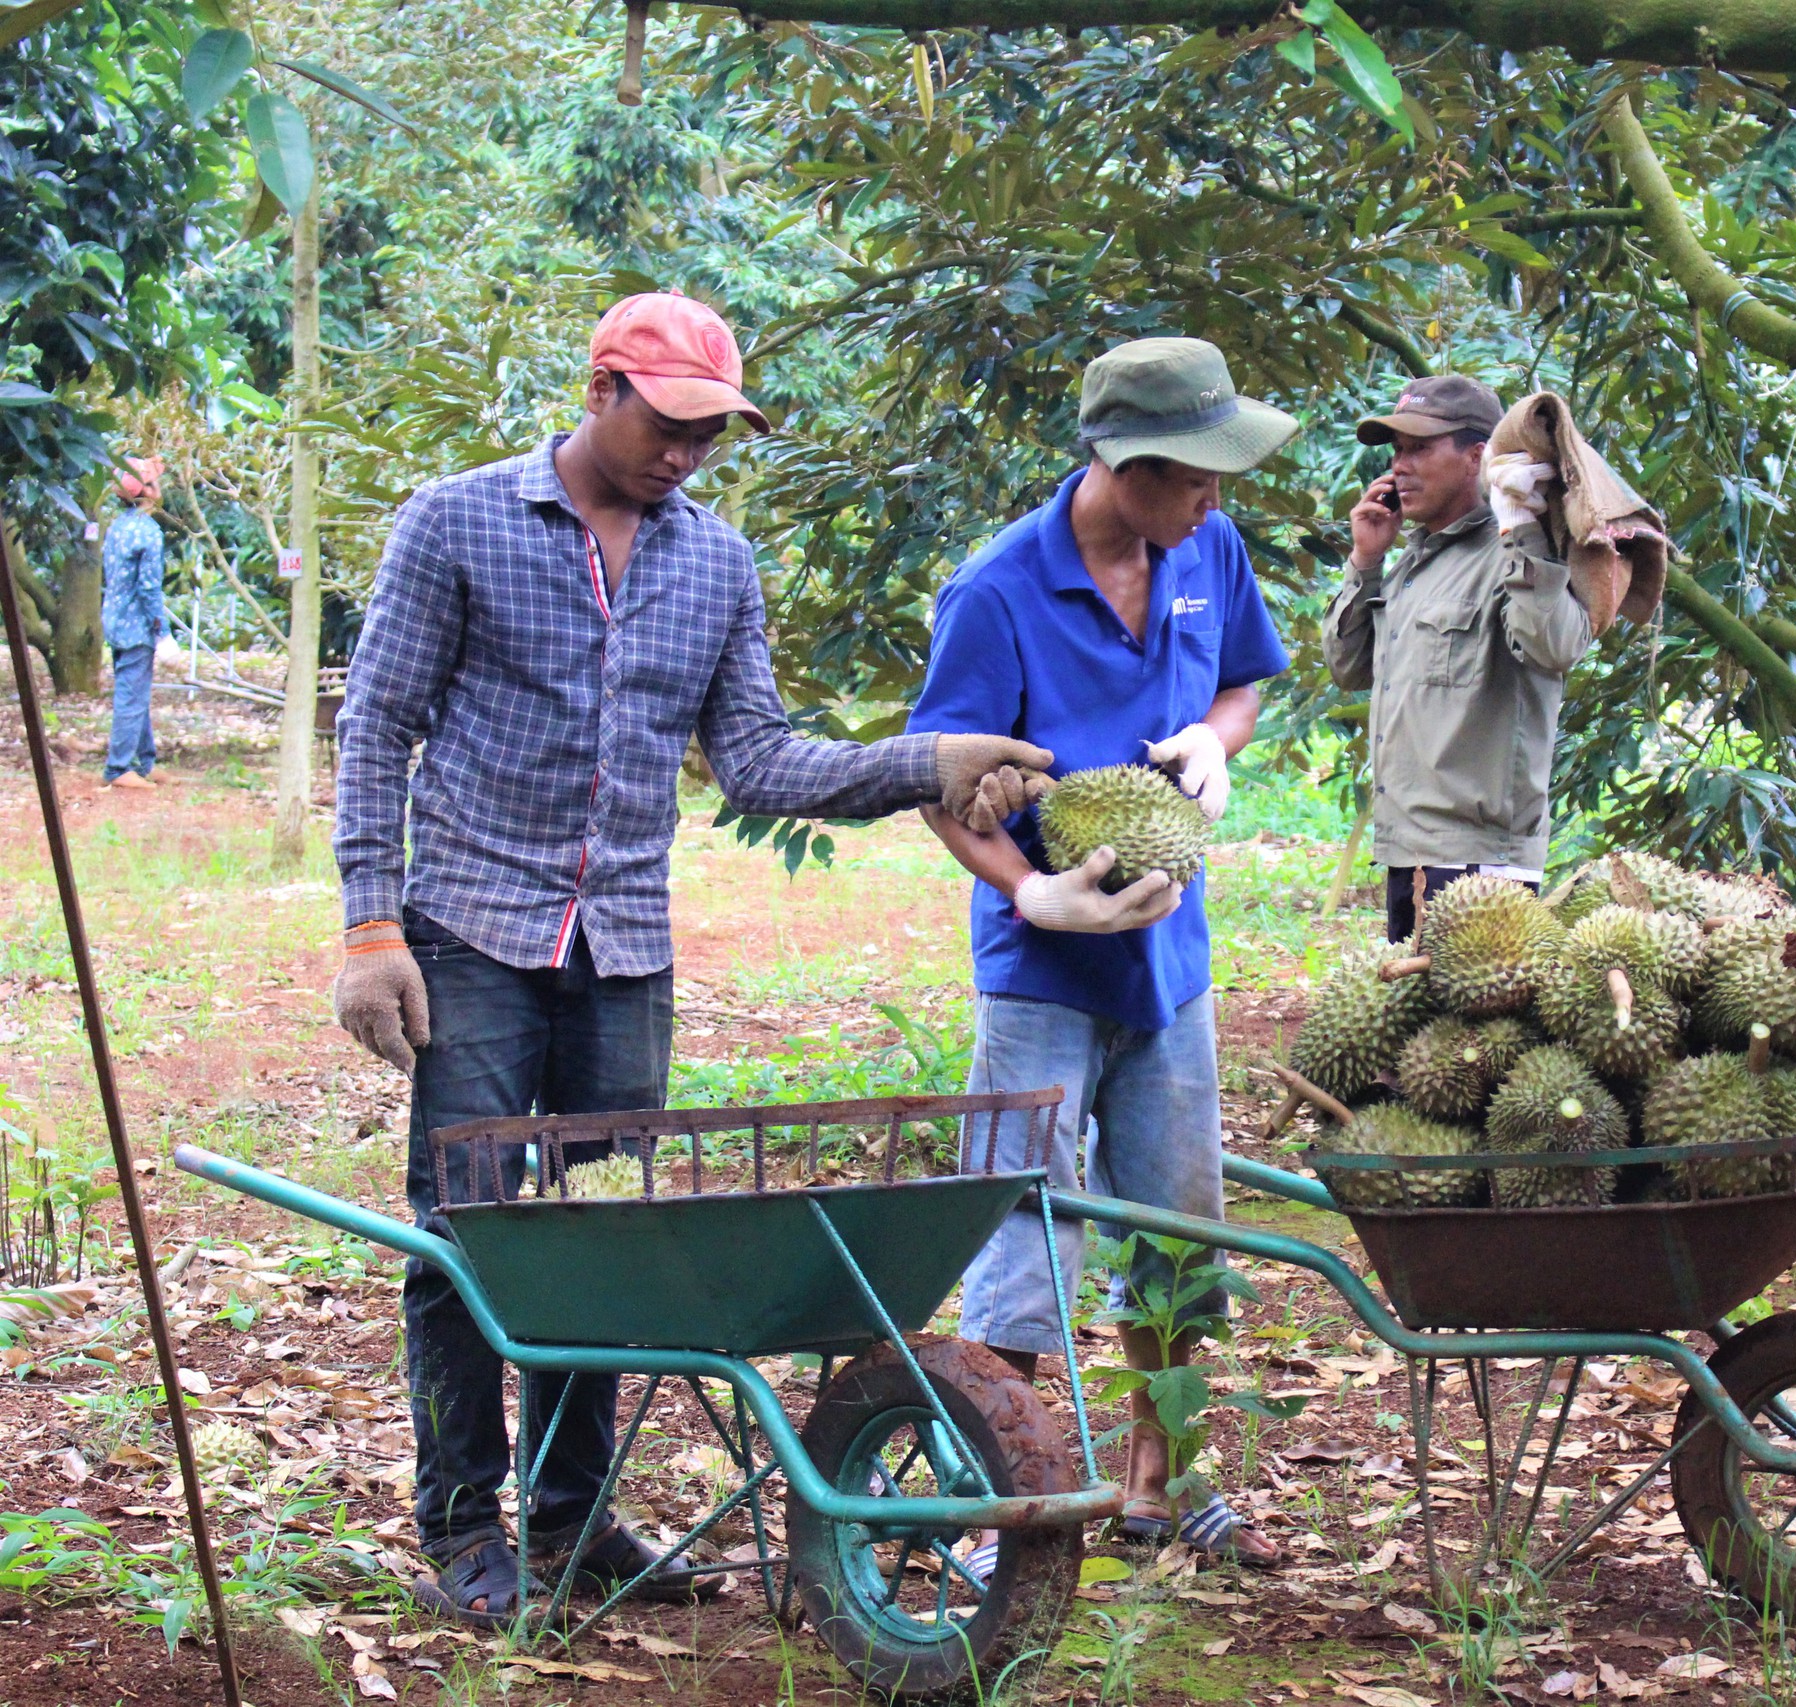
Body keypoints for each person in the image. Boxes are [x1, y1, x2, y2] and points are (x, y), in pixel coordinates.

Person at [328, 292, 1053, 1627]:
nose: (683, 455)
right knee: (465, 1235)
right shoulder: (459, 521)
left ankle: (569, 1512)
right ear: (602, 389)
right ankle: (462, 1526)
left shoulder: (714, 563)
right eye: (666, 425)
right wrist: (374, 925)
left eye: (709, 436)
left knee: (604, 1241)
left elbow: (761, 757)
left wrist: (923, 763)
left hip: (624, 951)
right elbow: (378, 723)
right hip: (476, 930)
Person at [908, 336, 1295, 1565]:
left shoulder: (1205, 550)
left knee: (1180, 1230)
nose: (1217, 498)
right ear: (1125, 464)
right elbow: (938, 781)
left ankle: (1158, 1484)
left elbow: (1242, 683)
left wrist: (1216, 740)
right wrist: (1028, 891)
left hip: (1169, 963)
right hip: (1044, 972)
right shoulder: (998, 591)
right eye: (1196, 474)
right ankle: (992, 1498)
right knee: (1022, 1224)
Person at [1320, 375, 1589, 940]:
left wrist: (1523, 530)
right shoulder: (1411, 561)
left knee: (1468, 1032)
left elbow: (1556, 646)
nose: (1400, 466)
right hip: (1410, 849)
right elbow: (1349, 669)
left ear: (1476, 458)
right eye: (1396, 450)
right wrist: (1367, 560)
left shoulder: (1515, 550)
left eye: (1420, 448)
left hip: (1481, 862)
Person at [99, 455, 169, 791]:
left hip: (114, 620)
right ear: (148, 491)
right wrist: (163, 632)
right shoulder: (149, 532)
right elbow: (148, 588)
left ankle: (144, 762)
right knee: (131, 695)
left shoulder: (116, 527)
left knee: (134, 693)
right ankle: (118, 768)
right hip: (137, 626)